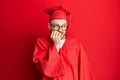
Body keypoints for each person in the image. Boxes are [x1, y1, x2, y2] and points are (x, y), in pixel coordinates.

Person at [33, 5, 93, 80]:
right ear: (49, 26)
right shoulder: (41, 43)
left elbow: (84, 70)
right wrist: (56, 45)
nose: (61, 30)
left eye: (64, 26)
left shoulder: (75, 44)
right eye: (57, 26)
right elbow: (45, 69)